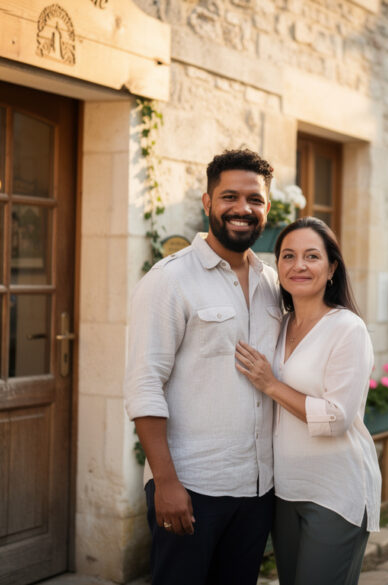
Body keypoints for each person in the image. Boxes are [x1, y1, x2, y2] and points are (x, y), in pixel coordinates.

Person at [123, 148, 282, 585]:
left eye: (255, 199)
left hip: (256, 490)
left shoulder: (273, 284)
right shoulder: (169, 280)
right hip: (191, 487)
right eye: (229, 196)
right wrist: (167, 483)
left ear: (267, 209)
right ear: (207, 203)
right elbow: (143, 385)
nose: (242, 208)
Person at [235, 217, 380, 585]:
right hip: (285, 490)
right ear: (278, 266)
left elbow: (337, 418)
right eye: (288, 256)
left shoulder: (348, 329)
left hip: (334, 490)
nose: (298, 265)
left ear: (332, 268)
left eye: (311, 256)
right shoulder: (280, 326)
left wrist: (271, 385)